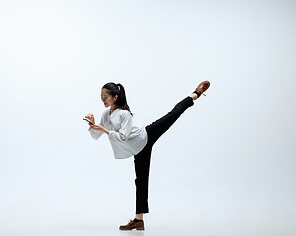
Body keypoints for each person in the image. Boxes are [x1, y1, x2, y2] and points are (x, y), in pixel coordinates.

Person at [85, 81, 210, 230]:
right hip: (137, 150)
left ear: (115, 97)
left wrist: (104, 130)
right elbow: (95, 136)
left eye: (105, 97)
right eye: (101, 96)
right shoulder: (106, 114)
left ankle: (195, 95)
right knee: (141, 182)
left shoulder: (125, 114)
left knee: (172, 115)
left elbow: (123, 137)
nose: (103, 100)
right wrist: (92, 124)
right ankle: (139, 221)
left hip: (145, 137)